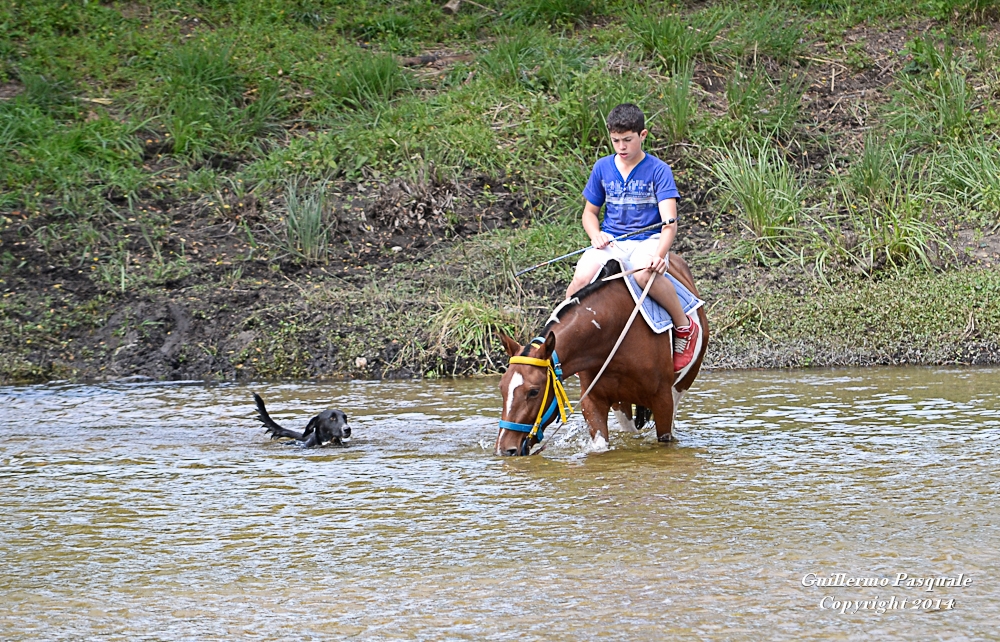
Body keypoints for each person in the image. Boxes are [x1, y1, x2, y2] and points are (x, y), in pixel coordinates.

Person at [565, 103, 699, 371]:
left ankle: (684, 327)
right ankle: (559, 336)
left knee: (643, 273)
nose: (621, 147)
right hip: (613, 240)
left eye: (628, 140)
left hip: (648, 239)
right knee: (581, 276)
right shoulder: (602, 168)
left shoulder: (659, 170)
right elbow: (589, 214)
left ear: (643, 135)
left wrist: (660, 257)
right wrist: (595, 235)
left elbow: (669, 224)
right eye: (616, 141)